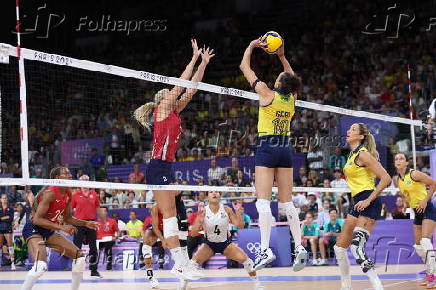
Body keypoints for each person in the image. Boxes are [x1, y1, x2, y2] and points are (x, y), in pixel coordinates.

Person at [133, 39, 214, 280]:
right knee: (169, 216)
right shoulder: (163, 110)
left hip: (165, 166)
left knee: (171, 216)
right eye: (170, 93)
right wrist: (192, 58)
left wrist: (204, 63)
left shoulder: (175, 110)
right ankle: (181, 264)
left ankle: (180, 264)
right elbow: (180, 84)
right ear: (163, 100)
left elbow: (192, 88)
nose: (173, 94)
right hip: (158, 166)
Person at [239, 38, 307, 271]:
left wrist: (250, 47)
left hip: (268, 146)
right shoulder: (292, 99)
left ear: (279, 82)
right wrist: (281, 56)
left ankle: (265, 249)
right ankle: (299, 247)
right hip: (286, 147)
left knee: (263, 202)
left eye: (279, 75)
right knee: (287, 203)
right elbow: (292, 76)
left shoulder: (266, 93)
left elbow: (244, 68)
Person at [21, 167, 99, 290]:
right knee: (40, 266)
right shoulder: (49, 193)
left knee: (80, 258)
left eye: (69, 173)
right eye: (66, 173)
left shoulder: (68, 193)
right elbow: (37, 219)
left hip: (48, 230)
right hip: (34, 229)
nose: (70, 175)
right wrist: (61, 228)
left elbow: (68, 218)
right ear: (57, 178)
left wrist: (85, 223)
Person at [334, 123, 391, 290]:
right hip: (357, 201)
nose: (348, 131)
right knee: (339, 249)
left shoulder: (363, 154)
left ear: (360, 136)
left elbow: (386, 178)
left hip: (369, 200)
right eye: (349, 129)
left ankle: (377, 286)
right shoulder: (352, 155)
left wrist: (368, 200)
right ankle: (346, 286)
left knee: (356, 248)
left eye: (352, 130)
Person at [186, 191, 261, 290]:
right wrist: (198, 223)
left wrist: (238, 212)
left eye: (216, 192)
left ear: (220, 195)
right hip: (209, 245)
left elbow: (240, 226)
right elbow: (194, 233)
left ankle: (257, 284)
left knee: (247, 262)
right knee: (192, 264)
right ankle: (182, 286)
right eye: (211, 192)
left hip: (226, 244)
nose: (214, 194)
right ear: (207, 196)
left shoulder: (226, 209)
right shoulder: (203, 211)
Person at [394, 152, 436, 288]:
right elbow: (406, 194)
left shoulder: (414, 174)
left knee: (425, 241)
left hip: (427, 208)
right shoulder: (398, 180)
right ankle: (430, 272)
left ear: (407, 162)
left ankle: (433, 276)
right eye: (396, 159)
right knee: (418, 247)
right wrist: (406, 204)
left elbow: (433, 183)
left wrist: (424, 200)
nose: (398, 160)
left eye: (401, 158)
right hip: (416, 212)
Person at [71, 175, 102, 278]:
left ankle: (94, 271)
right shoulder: (75, 195)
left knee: (93, 247)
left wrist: (103, 221)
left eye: (86, 180)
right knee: (76, 247)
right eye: (83, 180)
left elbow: (98, 208)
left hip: (92, 223)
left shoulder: (94, 194)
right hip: (79, 223)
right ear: (79, 182)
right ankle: (77, 271)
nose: (85, 182)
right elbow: (70, 209)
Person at [0, 194, 15, 270]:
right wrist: (5, 217)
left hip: (8, 229)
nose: (4, 199)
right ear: (0, 200)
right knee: (0, 246)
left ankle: (13, 263)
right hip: (0, 229)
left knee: (10, 246)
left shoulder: (11, 209)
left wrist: (1, 218)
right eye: (3, 198)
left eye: (6, 198)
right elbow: (7, 217)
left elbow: (11, 218)